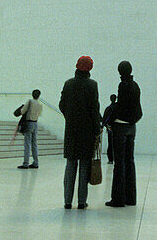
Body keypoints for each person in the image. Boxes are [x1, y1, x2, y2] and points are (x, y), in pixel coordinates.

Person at [59, 56, 101, 210]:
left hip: (71, 130)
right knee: (84, 165)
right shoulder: (92, 85)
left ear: (76, 66)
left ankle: (67, 201)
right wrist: (96, 129)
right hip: (87, 132)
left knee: (70, 164)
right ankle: (82, 201)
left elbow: (62, 105)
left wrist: (69, 118)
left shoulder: (68, 84)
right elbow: (94, 109)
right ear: (90, 69)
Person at [106, 60, 141, 207]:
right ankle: (130, 198)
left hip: (120, 127)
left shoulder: (123, 85)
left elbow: (121, 106)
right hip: (131, 127)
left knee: (119, 163)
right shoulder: (135, 85)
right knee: (130, 161)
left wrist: (110, 120)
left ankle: (118, 199)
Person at [17, 89, 44, 169]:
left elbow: (22, 111)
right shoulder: (40, 104)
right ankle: (36, 163)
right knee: (34, 144)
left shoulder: (29, 102)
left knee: (27, 144)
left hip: (28, 123)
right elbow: (39, 114)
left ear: (32, 94)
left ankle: (26, 163)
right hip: (35, 123)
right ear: (39, 95)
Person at [101, 94, 117, 164]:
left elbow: (104, 119)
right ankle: (117, 159)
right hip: (118, 129)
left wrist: (105, 126)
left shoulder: (108, 108)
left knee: (110, 144)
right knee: (117, 145)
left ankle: (110, 159)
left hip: (110, 129)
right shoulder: (118, 108)